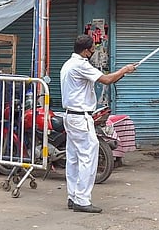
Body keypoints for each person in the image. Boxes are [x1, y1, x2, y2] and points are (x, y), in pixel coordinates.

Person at [60, 34, 137, 213]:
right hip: (80, 118)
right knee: (88, 158)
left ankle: (73, 196)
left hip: (71, 117)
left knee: (73, 158)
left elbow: (107, 79)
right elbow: (106, 80)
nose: (94, 51)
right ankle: (82, 199)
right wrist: (125, 69)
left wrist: (120, 74)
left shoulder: (68, 64)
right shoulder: (81, 64)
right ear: (87, 50)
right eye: (93, 48)